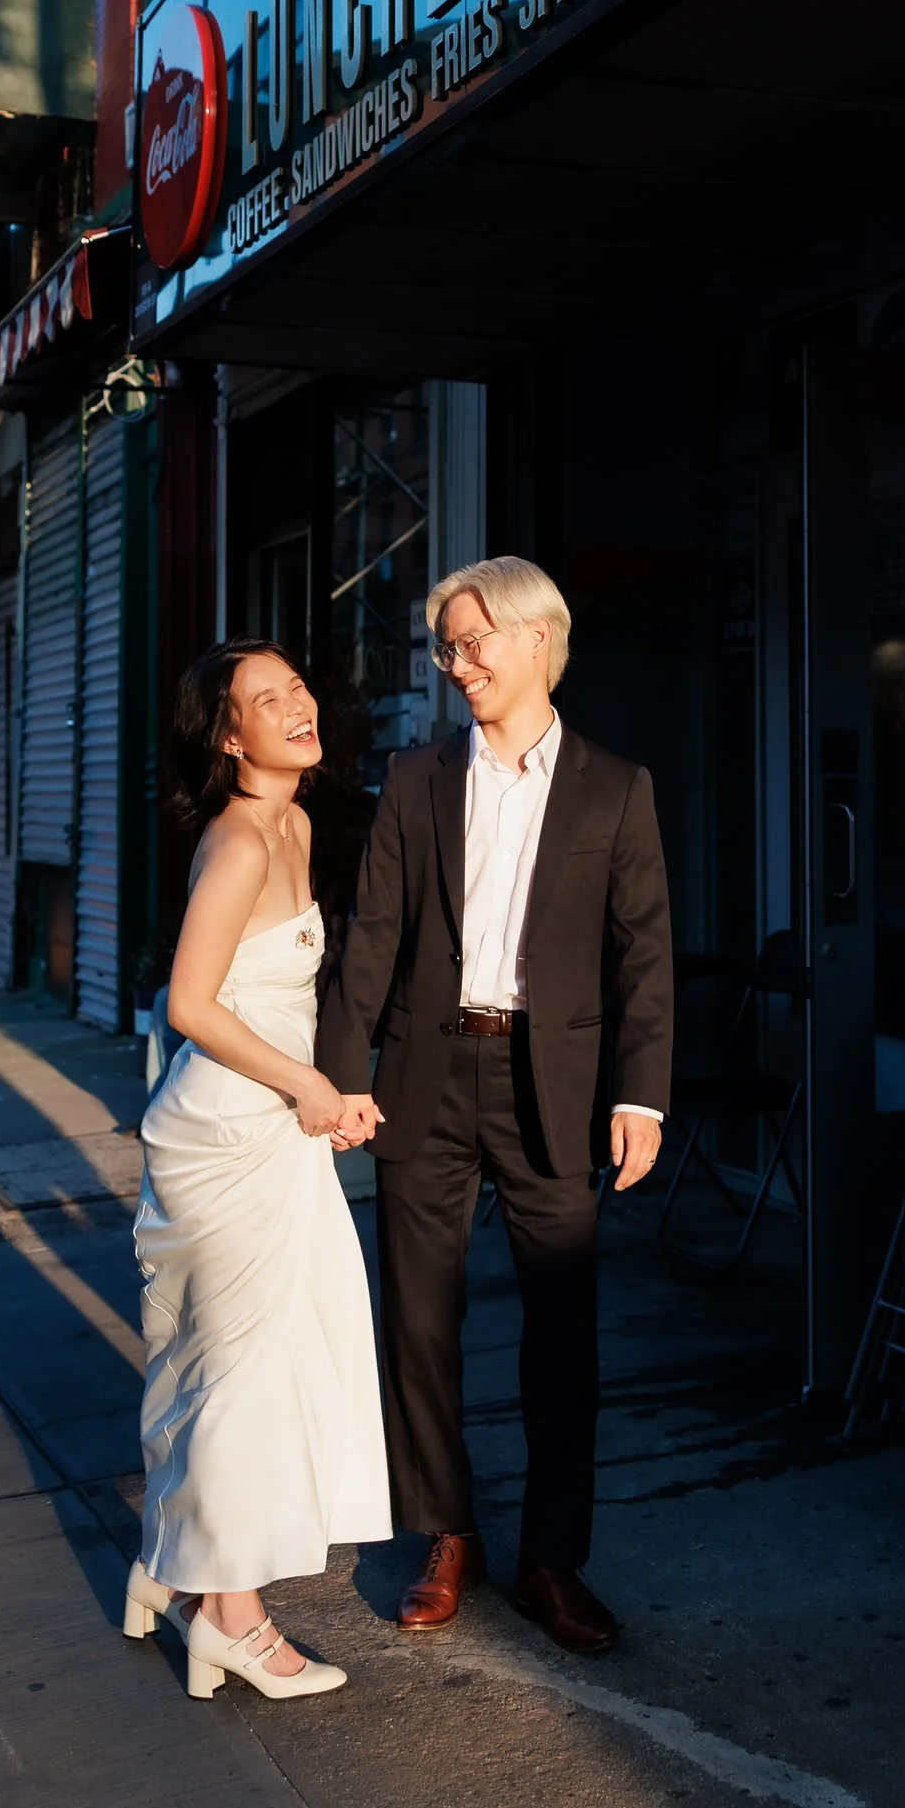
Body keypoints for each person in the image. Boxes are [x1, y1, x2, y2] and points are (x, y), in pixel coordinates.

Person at [317, 556, 674, 1655]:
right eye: (445, 646)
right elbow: (371, 932)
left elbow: (642, 957)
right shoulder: (416, 777)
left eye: (471, 642)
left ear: (532, 642)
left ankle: (551, 1559)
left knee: (560, 1333)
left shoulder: (616, 787)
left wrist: (640, 1096)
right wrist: (340, 1074)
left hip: (553, 1088)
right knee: (417, 1318)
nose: (455, 663)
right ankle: (447, 1533)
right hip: (427, 1074)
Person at [128, 641, 391, 1703]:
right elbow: (189, 1004)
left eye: (297, 688)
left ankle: (170, 1570)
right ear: (228, 735)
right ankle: (231, 1619)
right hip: (232, 1128)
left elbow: (272, 997)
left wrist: (326, 1086)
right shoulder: (240, 837)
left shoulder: (296, 822)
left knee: (225, 1366)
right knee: (238, 1376)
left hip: (273, 1114)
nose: (295, 706)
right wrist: (306, 1086)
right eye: (264, 699)